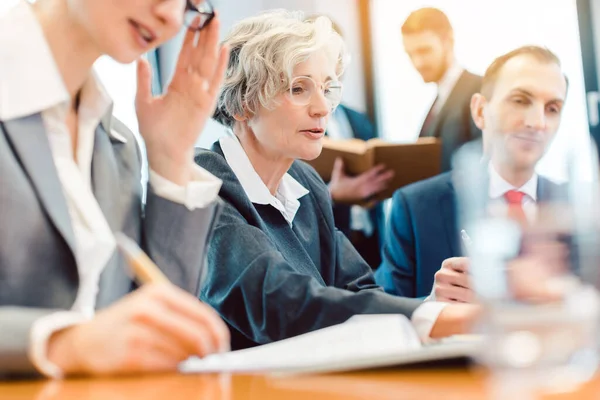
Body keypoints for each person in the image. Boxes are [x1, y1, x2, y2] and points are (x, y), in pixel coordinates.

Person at [197, 10, 479, 351]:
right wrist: (430, 318)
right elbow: (279, 303)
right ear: (243, 102)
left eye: (327, 88)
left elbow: (359, 291)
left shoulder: (306, 183)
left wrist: (433, 303)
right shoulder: (204, 184)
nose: (322, 108)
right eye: (298, 88)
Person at [0, 0, 230, 378]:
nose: (172, 17)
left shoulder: (117, 145)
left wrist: (171, 158)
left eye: (188, 4)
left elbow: (151, 330)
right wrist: (63, 345)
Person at [374, 46, 569, 299]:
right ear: (479, 111)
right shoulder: (416, 209)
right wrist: (432, 304)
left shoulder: (578, 210)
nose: (538, 122)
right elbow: (386, 314)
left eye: (552, 108)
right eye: (520, 100)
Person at [401, 7, 482, 172]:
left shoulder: (479, 90)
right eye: (410, 54)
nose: (418, 63)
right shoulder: (439, 99)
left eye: (424, 51)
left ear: (448, 42)